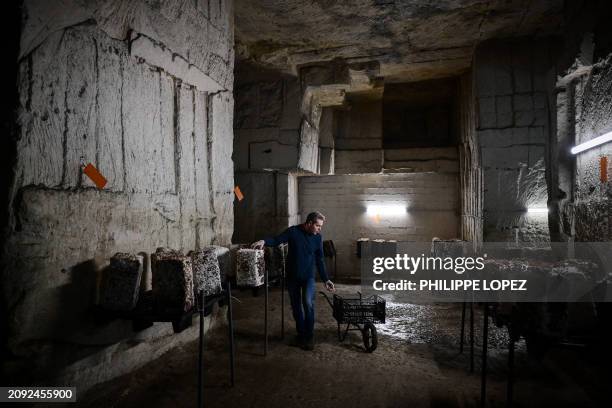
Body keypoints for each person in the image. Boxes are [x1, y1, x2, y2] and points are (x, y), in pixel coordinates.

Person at [252, 211, 335, 351]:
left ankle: (309, 338)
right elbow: (277, 239)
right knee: (296, 307)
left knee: (308, 303)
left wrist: (326, 279)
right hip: (292, 277)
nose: (320, 229)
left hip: (308, 277)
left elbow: (320, 260)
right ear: (309, 223)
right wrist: (264, 241)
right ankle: (301, 335)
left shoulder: (317, 238)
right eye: (318, 226)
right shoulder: (294, 232)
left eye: (321, 226)